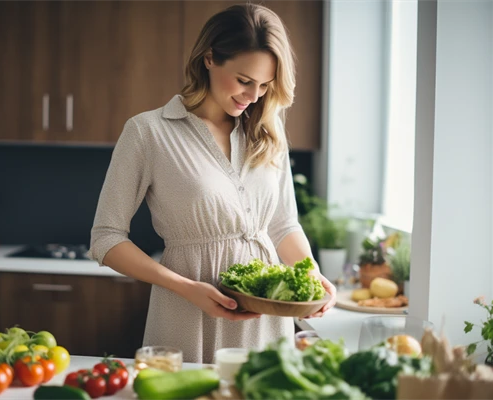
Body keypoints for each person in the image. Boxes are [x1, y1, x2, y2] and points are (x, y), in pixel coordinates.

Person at [87, 3, 336, 364]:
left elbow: (282, 224)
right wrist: (188, 289)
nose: (253, 96)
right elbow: (106, 238)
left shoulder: (268, 131)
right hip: (187, 309)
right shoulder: (148, 132)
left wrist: (312, 275)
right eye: (244, 80)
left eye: (265, 85)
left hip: (265, 312)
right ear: (209, 59)